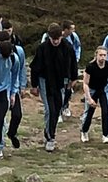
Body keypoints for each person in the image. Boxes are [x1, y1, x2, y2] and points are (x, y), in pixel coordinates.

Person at [30, 23, 76, 151]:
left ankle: (49, 131)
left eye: (58, 38)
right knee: (50, 109)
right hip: (45, 81)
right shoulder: (42, 48)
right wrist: (34, 85)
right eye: (53, 39)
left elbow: (73, 64)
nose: (55, 41)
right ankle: (50, 137)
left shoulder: (68, 47)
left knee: (57, 108)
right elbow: (35, 68)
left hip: (61, 82)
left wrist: (73, 78)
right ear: (49, 37)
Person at [80, 45, 108, 144]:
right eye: (100, 55)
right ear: (96, 55)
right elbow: (85, 83)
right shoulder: (91, 66)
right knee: (89, 112)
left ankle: (106, 135)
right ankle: (84, 131)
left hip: (103, 90)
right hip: (92, 90)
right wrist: (89, 99)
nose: (102, 57)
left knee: (106, 112)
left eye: (104, 55)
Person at [61, 21, 81, 118]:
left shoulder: (73, 36)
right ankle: (58, 109)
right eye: (71, 29)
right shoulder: (57, 36)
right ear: (65, 29)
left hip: (70, 65)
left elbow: (78, 46)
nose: (73, 31)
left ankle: (65, 106)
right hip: (59, 66)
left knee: (69, 87)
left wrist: (76, 58)